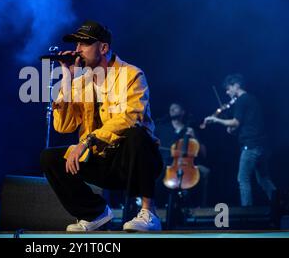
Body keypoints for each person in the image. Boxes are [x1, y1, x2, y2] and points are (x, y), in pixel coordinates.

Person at [40, 20, 164, 232]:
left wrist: (87, 141)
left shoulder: (132, 75)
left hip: (132, 161)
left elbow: (130, 117)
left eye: (83, 44)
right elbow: (63, 126)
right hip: (101, 161)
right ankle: (95, 213)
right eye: (76, 45)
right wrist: (67, 80)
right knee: (49, 159)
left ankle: (149, 212)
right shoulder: (79, 82)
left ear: (103, 48)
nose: (77, 50)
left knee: (137, 134)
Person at [203, 73, 276, 206]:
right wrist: (233, 128)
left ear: (236, 85)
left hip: (250, 146)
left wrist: (216, 119)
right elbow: (246, 124)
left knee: (243, 179)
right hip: (261, 146)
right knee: (264, 180)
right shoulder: (252, 99)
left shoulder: (241, 100)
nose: (227, 91)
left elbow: (236, 122)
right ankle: (278, 206)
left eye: (229, 88)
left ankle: (246, 213)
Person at [156, 103, 210, 207]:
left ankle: (199, 207)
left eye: (175, 108)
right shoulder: (161, 128)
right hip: (164, 163)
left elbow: (203, 153)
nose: (172, 109)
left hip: (186, 164)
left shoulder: (188, 130)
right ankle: (154, 207)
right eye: (170, 108)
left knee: (205, 172)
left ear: (182, 112)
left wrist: (195, 137)